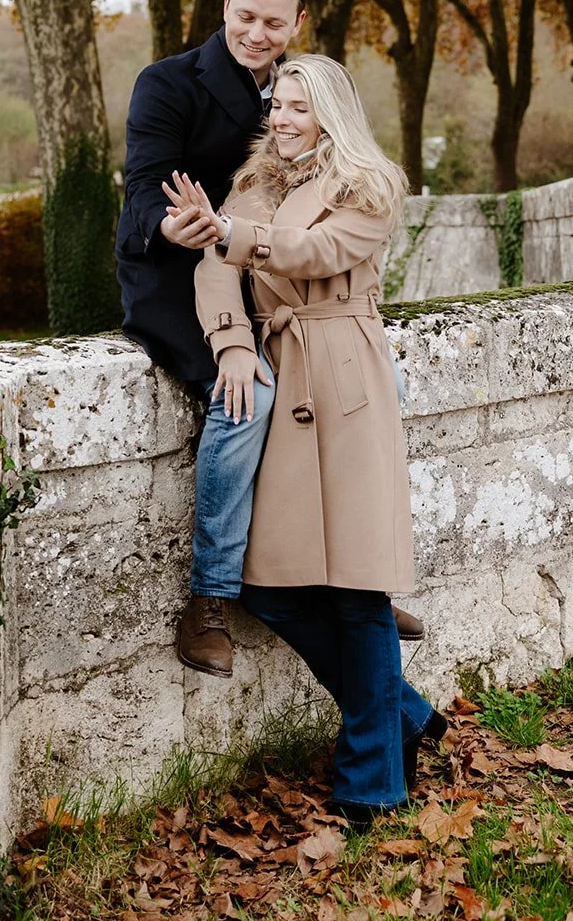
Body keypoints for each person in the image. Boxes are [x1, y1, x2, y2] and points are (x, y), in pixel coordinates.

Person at [116, 0, 424, 679]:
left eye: (272, 23)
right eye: (244, 16)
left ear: (297, 24)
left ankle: (358, 582)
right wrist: (175, 230)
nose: (255, 33)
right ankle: (212, 594)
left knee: (378, 393)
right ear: (224, 3)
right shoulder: (165, 84)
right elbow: (140, 194)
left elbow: (324, 200)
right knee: (248, 400)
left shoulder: (300, 85)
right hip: (181, 279)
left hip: (279, 281)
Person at [173, 54, 446, 822]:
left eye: (298, 106)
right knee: (269, 583)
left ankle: (372, 782)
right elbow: (214, 269)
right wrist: (229, 340)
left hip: (344, 372)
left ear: (329, 111)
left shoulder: (370, 184)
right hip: (278, 367)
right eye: (277, 106)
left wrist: (230, 233)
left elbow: (317, 254)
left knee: (356, 586)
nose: (283, 119)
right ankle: (406, 715)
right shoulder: (257, 180)